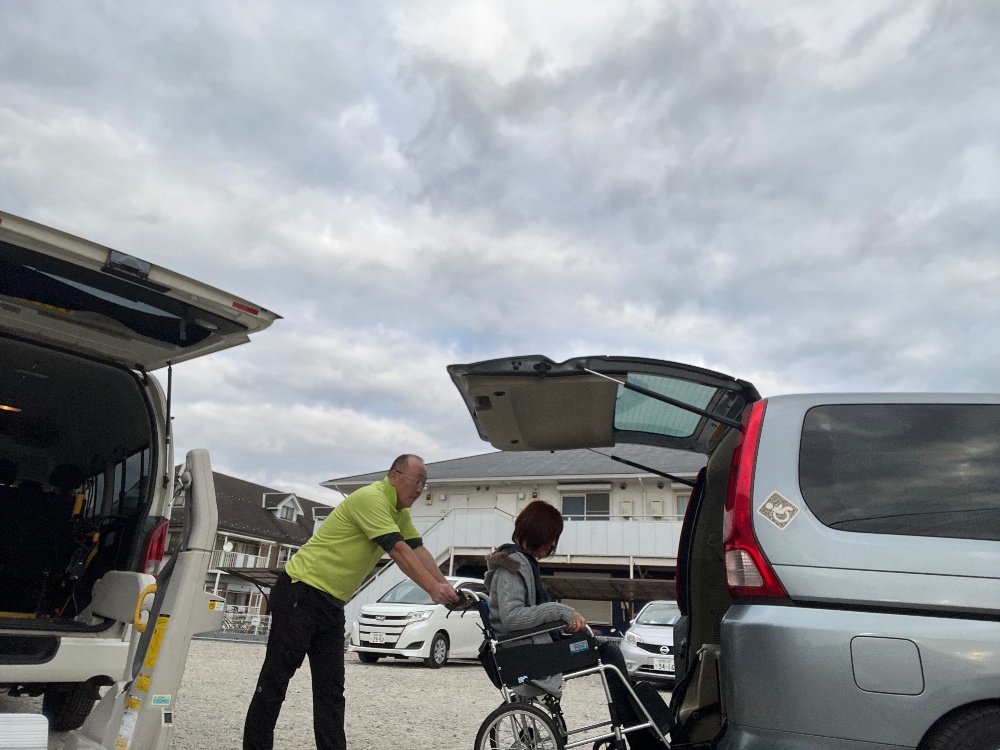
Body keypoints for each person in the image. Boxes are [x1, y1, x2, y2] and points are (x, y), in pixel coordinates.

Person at [243, 454, 459, 750]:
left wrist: (447, 588)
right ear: (393, 476)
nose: (420, 489)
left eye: (424, 483)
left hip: (332, 604)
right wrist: (432, 589)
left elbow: (418, 551)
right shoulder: (371, 498)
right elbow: (397, 551)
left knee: (331, 690)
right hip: (300, 592)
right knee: (275, 681)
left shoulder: (398, 513)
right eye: (416, 481)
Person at [485, 500, 639, 747]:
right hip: (527, 654)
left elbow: (527, 615)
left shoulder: (522, 562)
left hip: (532, 648)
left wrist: (561, 623)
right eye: (551, 537)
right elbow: (513, 617)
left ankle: (630, 727)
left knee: (602, 647)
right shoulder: (511, 567)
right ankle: (632, 731)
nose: (553, 544)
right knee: (609, 654)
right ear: (538, 532)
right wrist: (560, 611)